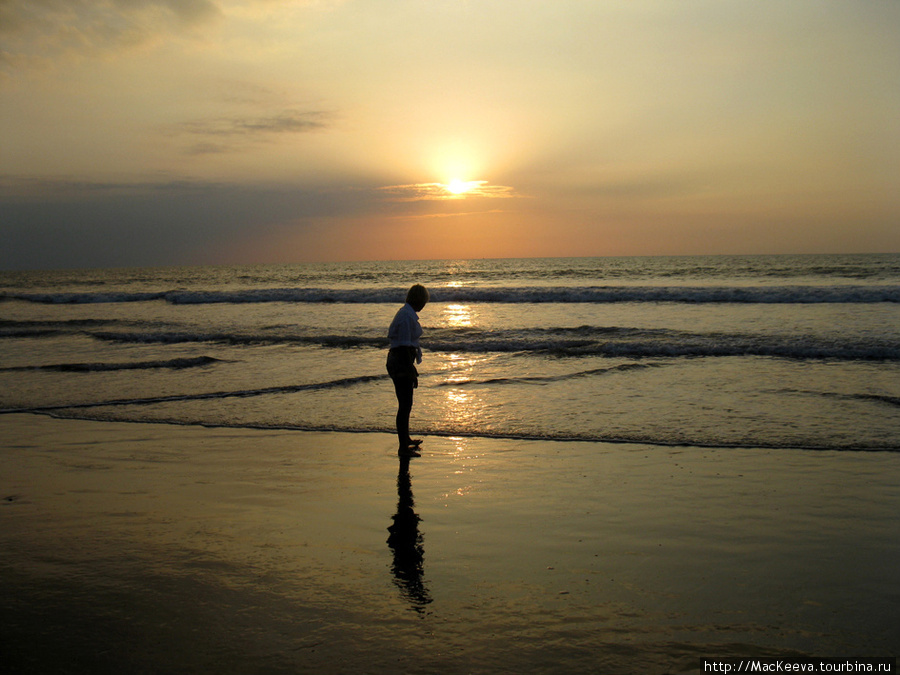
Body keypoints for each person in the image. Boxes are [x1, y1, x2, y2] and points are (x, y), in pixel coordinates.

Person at [386, 284, 429, 457]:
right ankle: (403, 447)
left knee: (406, 404)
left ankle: (405, 439)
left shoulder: (407, 313)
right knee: (405, 404)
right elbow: (403, 346)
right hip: (400, 362)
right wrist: (411, 371)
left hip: (401, 361)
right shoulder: (406, 316)